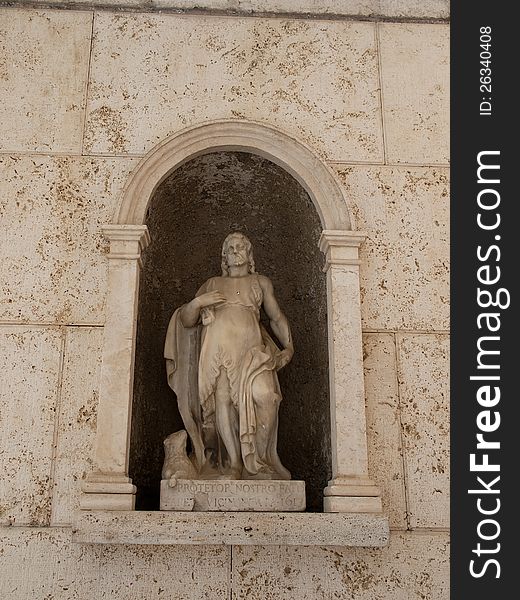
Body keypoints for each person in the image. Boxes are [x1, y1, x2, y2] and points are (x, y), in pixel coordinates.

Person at [164, 232, 293, 480]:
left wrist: (289, 347)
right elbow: (187, 320)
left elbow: (276, 318)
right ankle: (233, 464)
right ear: (224, 256)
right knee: (222, 400)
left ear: (249, 253)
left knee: (266, 396)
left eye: (240, 246)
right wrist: (199, 302)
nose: (235, 251)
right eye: (230, 248)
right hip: (217, 353)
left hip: (252, 353)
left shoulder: (260, 282)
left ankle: (261, 462)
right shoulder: (212, 284)